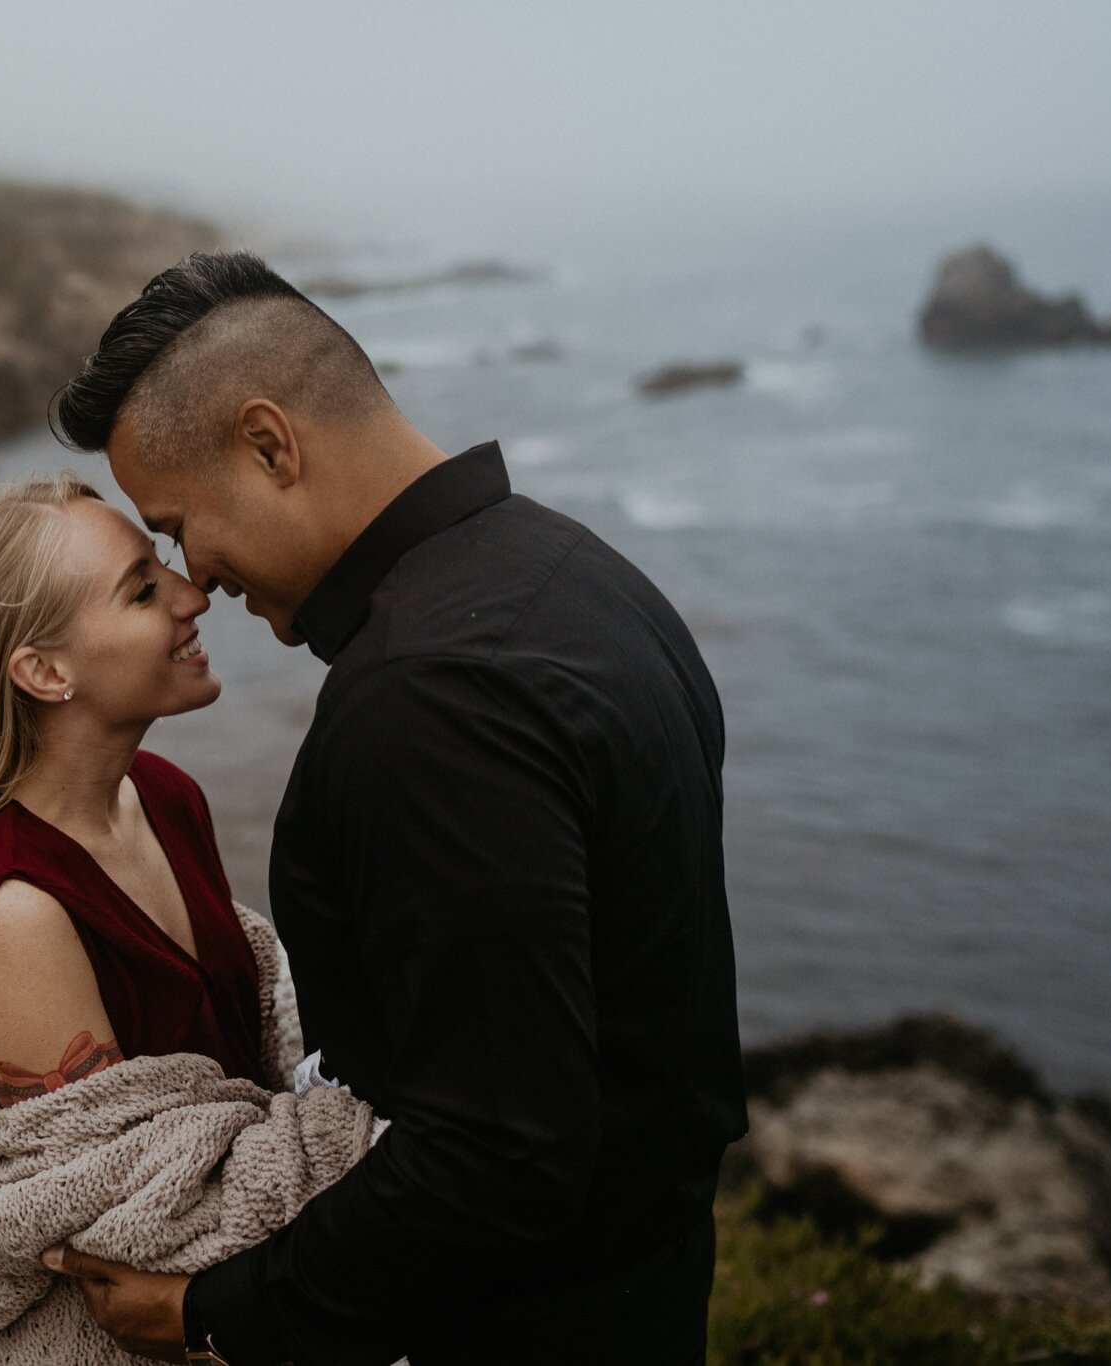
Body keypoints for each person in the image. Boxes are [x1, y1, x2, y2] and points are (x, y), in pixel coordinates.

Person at [38, 250, 748, 1365]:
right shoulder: (578, 572)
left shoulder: (427, 697)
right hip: (648, 1283)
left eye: (177, 523)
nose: (198, 576)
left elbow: (498, 1152)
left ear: (270, 445)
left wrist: (211, 1310)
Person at [0, 473, 270, 1127]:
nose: (193, 597)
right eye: (143, 590)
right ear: (45, 671)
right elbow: (103, 1192)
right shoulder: (13, 910)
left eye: (163, 564)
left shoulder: (164, 792)